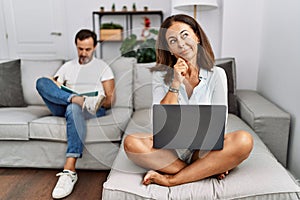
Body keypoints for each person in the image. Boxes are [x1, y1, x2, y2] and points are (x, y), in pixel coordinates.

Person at [123, 14, 253, 187]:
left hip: (203, 149)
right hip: (170, 151)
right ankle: (203, 169)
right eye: (173, 40)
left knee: (244, 140)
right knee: (131, 143)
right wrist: (175, 82)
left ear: (197, 37)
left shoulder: (217, 74)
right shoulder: (160, 76)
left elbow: (219, 123)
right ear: (169, 48)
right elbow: (159, 123)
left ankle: (173, 179)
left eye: (185, 35)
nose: (181, 44)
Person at [36, 29, 115, 199]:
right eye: (80, 49)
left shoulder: (103, 67)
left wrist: (94, 100)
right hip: (65, 105)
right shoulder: (68, 66)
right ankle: (74, 98)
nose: (83, 53)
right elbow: (52, 88)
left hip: (91, 109)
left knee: (74, 108)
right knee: (42, 82)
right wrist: (65, 92)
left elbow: (110, 101)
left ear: (94, 47)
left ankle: (69, 170)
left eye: (87, 49)